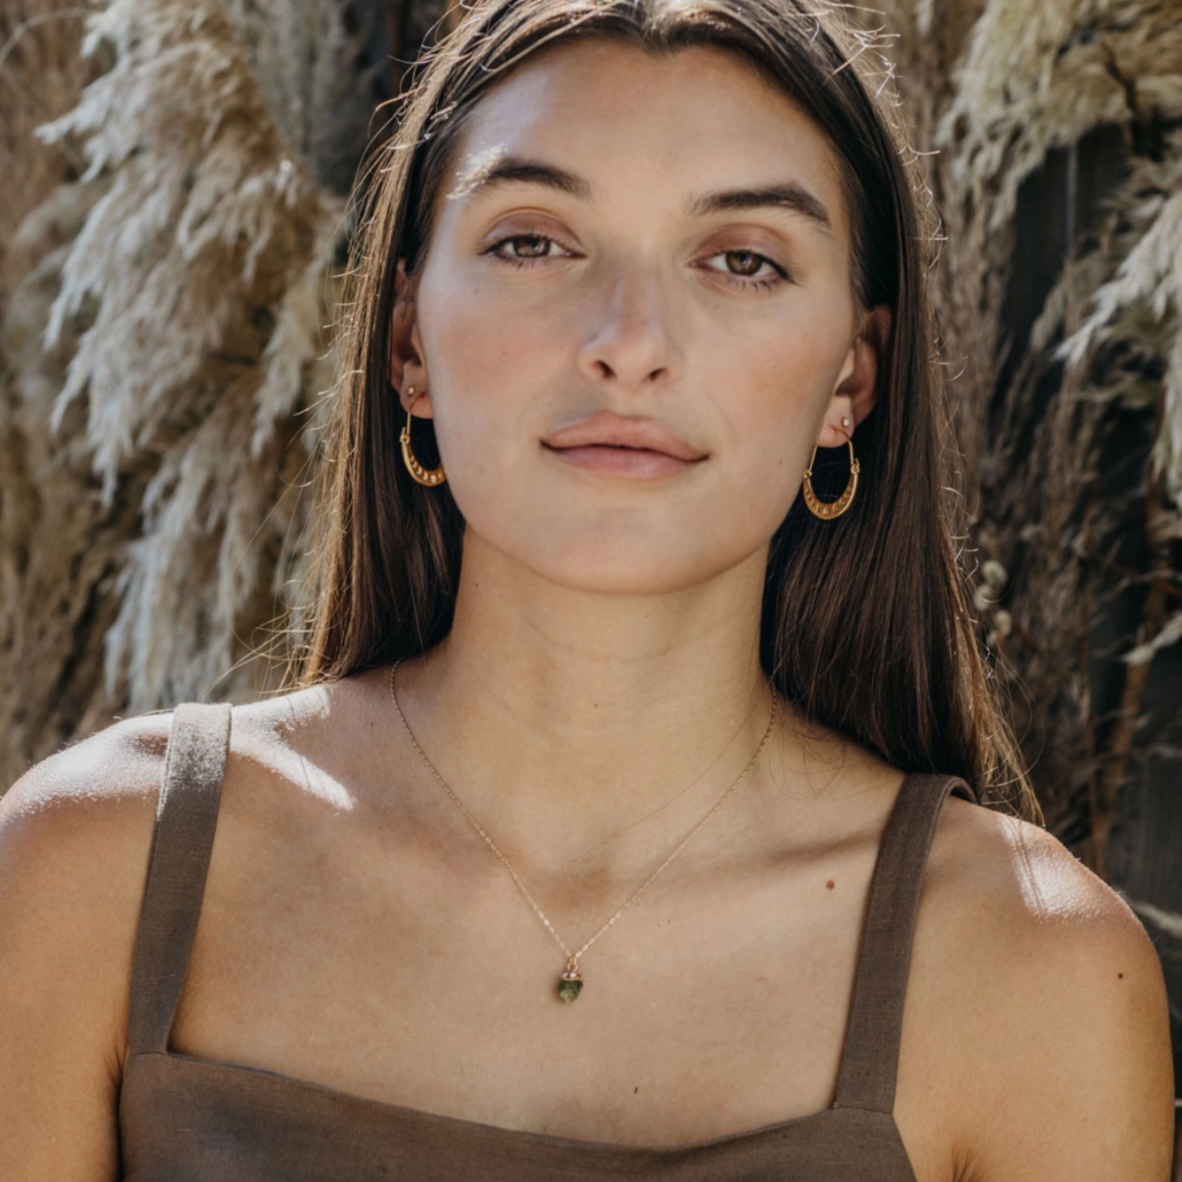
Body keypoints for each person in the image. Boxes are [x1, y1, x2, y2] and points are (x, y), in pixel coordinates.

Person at [0, 1, 1174, 1178]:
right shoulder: (94, 869)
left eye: (743, 260)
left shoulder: (1031, 970)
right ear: (408, 341)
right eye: (534, 241)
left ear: (849, 382)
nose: (629, 342)